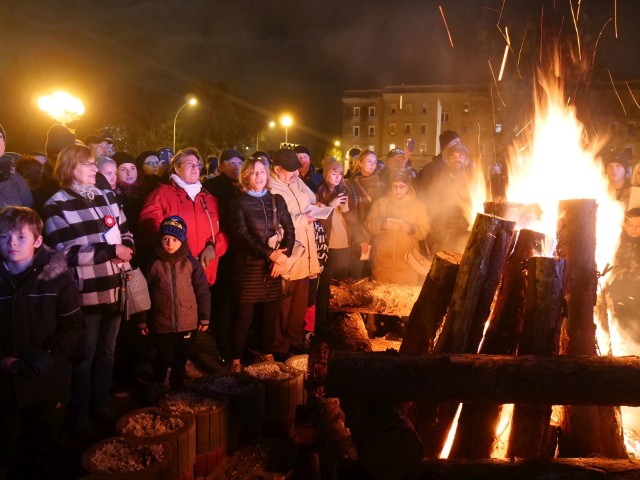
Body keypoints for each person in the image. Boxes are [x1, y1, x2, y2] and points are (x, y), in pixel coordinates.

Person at [42, 144, 135, 432]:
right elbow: (65, 251)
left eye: (95, 164)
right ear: (72, 167)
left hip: (115, 285)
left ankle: (101, 402)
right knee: (86, 353)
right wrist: (111, 252)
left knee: (108, 351)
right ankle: (80, 411)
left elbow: (126, 231)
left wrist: (127, 247)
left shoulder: (107, 196)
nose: (96, 169)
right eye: (90, 164)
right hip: (87, 290)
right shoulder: (56, 205)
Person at [0, 206, 84, 478]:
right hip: (6, 383)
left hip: (49, 381)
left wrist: (47, 355)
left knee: (47, 445)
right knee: (12, 448)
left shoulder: (56, 278)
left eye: (21, 237)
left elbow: (72, 326)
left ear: (37, 241)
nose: (11, 243)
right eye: (4, 236)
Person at [139, 147, 229, 371]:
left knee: (198, 318)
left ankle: (189, 360)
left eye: (197, 164)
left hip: (204, 271)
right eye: (188, 163)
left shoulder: (208, 198)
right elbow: (149, 228)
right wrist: (177, 256)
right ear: (176, 168)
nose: (194, 167)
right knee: (175, 322)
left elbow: (224, 231)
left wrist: (213, 247)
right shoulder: (161, 194)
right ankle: (169, 370)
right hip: (174, 274)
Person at [228, 156, 295, 371]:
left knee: (269, 317)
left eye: (262, 172)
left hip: (272, 269)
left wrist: (282, 257)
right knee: (244, 318)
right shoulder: (239, 201)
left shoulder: (277, 200)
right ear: (246, 176)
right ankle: (235, 360)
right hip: (248, 269)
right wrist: (270, 254)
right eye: (254, 172)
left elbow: (290, 230)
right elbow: (241, 235)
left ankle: (267, 353)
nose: (258, 176)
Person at [141, 216, 210, 400]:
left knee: (181, 357)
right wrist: (142, 321)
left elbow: (202, 291)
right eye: (166, 239)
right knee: (163, 358)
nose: (170, 244)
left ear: (182, 240)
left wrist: (204, 317)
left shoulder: (191, 263)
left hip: (188, 322)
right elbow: (143, 294)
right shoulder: (153, 264)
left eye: (175, 240)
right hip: (162, 322)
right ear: (160, 239)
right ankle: (157, 385)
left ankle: (178, 389)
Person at [269, 148, 321, 356]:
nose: (296, 174)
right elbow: (277, 223)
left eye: (297, 170)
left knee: (300, 300)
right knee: (284, 301)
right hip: (288, 250)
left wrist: (316, 207)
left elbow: (310, 198)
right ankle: (279, 345)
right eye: (291, 171)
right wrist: (303, 219)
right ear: (277, 169)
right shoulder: (272, 188)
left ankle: (295, 340)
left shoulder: (295, 180)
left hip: (306, 248)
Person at [202, 149, 244, 363]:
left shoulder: (244, 186)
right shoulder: (211, 188)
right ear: (221, 166)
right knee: (223, 299)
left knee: (238, 299)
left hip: (241, 249)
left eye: (239, 162)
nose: (236, 166)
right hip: (220, 248)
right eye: (231, 162)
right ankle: (221, 343)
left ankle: (236, 344)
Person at [315, 157, 363, 335]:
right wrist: (330, 205)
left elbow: (351, 218)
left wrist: (345, 209)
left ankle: (339, 324)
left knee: (342, 285)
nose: (337, 177)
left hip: (344, 243)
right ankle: (321, 325)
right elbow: (316, 218)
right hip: (328, 245)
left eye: (340, 174)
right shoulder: (319, 191)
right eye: (333, 173)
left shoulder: (345, 190)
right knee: (325, 286)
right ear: (327, 173)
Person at [365, 168, 430, 286]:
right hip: (383, 263)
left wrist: (410, 228)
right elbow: (368, 224)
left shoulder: (418, 206)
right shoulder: (380, 203)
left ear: (408, 186)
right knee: (381, 297)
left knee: (403, 299)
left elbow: (424, 230)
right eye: (395, 186)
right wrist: (382, 224)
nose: (398, 190)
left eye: (402, 186)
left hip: (407, 265)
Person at [422, 142, 475, 254]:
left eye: (461, 156)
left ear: (466, 160)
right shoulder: (439, 181)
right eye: (454, 156)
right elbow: (432, 209)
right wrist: (433, 239)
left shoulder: (474, 182)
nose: (458, 159)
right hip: (443, 235)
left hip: (466, 235)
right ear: (449, 160)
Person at [346, 149, 387, 278]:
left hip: (376, 238)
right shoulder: (351, 185)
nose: (372, 165)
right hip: (358, 240)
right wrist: (360, 239)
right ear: (360, 163)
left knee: (373, 277)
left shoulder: (381, 186)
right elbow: (350, 215)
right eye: (369, 161)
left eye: (374, 162)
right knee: (357, 277)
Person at [608, 208, 640, 343]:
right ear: (624, 225)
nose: (634, 229)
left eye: (639, 226)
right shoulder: (615, 241)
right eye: (631, 225)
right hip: (616, 290)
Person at [33, 124, 76, 216]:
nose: (59, 162)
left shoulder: (89, 180)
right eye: (54, 157)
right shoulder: (42, 191)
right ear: (48, 158)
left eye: (65, 157)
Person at [416, 130, 461, 201]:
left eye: (459, 143)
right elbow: (421, 196)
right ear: (446, 147)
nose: (459, 147)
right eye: (455, 144)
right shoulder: (429, 170)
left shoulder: (459, 169)